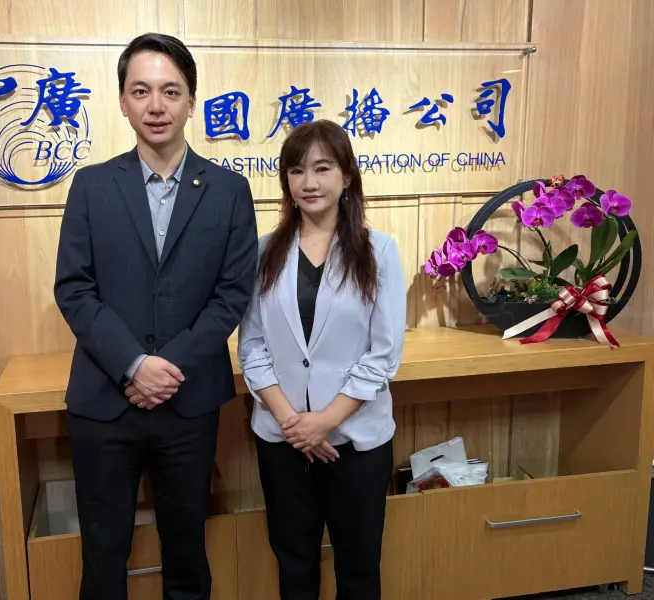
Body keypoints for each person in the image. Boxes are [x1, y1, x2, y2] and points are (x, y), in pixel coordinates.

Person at [54, 33, 258, 600]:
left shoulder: (229, 191)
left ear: (192, 101)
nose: (156, 105)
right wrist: (133, 364)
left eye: (171, 91)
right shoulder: (92, 186)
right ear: (122, 102)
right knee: (103, 558)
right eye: (141, 91)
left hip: (187, 403)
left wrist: (165, 368)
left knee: (187, 556)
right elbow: (74, 288)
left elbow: (232, 294)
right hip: (105, 400)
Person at [237, 119, 406, 600]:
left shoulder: (379, 251)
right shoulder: (264, 252)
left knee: (359, 569)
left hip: (355, 441)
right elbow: (251, 346)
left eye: (322, 168)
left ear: (347, 176)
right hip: (283, 441)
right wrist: (294, 424)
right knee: (294, 565)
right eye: (296, 171)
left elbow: (383, 355)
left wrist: (325, 422)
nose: (308, 182)